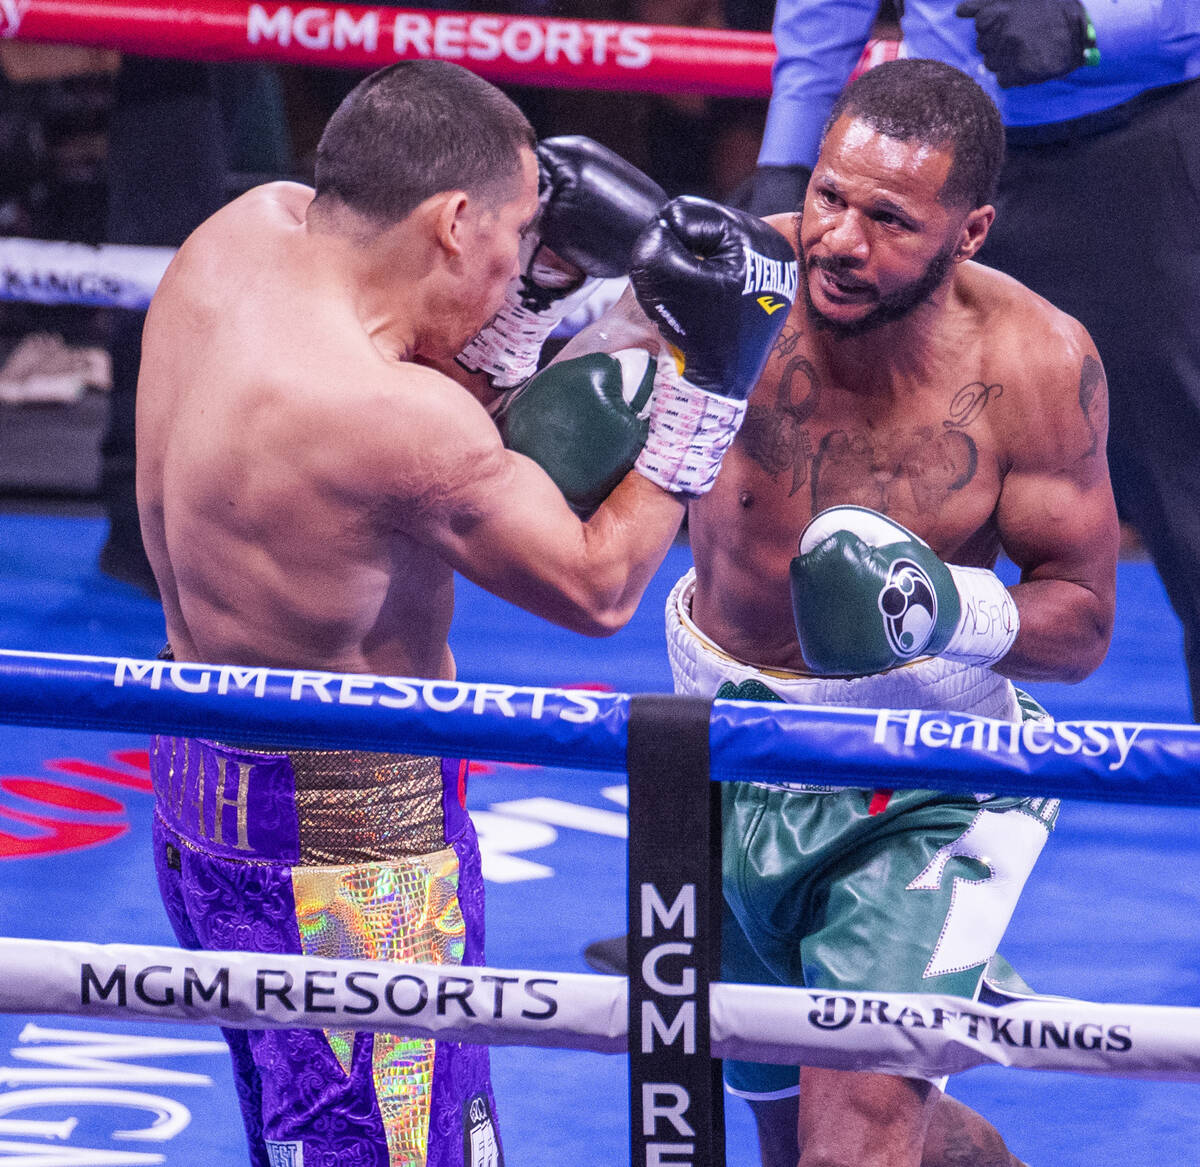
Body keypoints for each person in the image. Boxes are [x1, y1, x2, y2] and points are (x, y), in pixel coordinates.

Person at [135, 60, 796, 1167]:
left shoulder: (238, 239)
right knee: (400, 1152)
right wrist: (709, 382)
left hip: (200, 792)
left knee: (301, 1138)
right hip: (355, 851)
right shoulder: (386, 419)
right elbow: (598, 585)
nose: (520, 265)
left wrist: (537, 293)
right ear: (452, 220)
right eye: (518, 235)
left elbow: (424, 376)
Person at [567, 56, 1116, 1167]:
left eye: (888, 218)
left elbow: (1086, 620)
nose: (837, 239)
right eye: (828, 194)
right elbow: (558, 438)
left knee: (852, 1141)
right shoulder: (722, 281)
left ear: (970, 233)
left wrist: (943, 611)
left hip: (923, 776)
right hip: (723, 749)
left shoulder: (1035, 363)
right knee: (790, 1132)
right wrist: (567, 353)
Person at [736, 0, 1200, 721]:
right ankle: (809, 778)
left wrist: (1097, 27)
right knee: (837, 478)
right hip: (909, 173)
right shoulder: (842, 223)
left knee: (1192, 507)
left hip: (1131, 146)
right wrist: (787, 159)